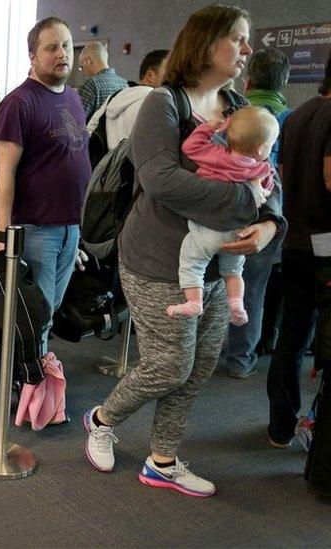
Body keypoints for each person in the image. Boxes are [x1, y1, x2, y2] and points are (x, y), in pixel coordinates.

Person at [83, 5, 284, 497]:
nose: (247, 49)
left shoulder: (238, 106)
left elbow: (266, 171)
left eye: (247, 39)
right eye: (237, 38)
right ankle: (103, 418)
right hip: (157, 260)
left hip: (217, 266)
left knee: (196, 370)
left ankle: (163, 460)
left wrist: (268, 224)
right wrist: (246, 203)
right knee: (170, 364)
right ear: (205, 42)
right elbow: (161, 180)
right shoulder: (165, 104)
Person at [0, 16, 91, 355]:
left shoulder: (74, 98)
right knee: (35, 317)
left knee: (47, 312)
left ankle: (34, 379)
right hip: (35, 230)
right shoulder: (18, 103)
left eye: (66, 45)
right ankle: (29, 388)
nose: (62, 53)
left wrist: (75, 233)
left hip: (69, 228)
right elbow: (4, 175)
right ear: (33, 56)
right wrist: (4, 237)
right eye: (51, 47)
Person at [266, 55, 331, 448]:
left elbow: (285, 177)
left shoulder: (297, 114)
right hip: (327, 245)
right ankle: (318, 429)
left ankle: (281, 427)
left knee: (291, 336)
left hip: (296, 240)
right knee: (324, 339)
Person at [167, 108, 277, 326]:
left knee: (192, 262)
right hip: (238, 233)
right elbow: (268, 189)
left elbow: (190, 147)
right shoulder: (262, 169)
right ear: (261, 148)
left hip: (207, 229)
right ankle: (236, 304)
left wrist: (209, 128)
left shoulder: (216, 155)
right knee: (234, 271)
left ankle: (194, 301)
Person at [223, 47, 293, 378]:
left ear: (248, 82)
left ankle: (207, 351)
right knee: (253, 291)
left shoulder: (233, 115)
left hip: (223, 213)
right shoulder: (290, 119)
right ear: (284, 83)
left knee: (214, 284)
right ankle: (239, 359)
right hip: (267, 219)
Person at [87, 49, 170, 148]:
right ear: (150, 76)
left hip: (107, 162)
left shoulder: (114, 97)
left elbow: (89, 131)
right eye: (168, 73)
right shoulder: (157, 103)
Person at [78, 41, 128, 121]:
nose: (83, 72)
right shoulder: (125, 84)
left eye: (82, 67)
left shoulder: (90, 84)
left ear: (88, 61)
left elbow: (76, 122)